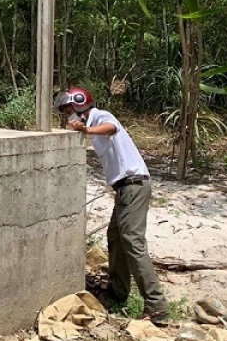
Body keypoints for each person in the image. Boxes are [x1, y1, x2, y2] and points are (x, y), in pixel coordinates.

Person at [56, 87, 170, 325]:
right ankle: (118, 292)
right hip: (124, 188)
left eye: (69, 111)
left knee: (132, 241)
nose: (68, 117)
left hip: (133, 185)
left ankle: (157, 306)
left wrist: (86, 129)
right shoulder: (93, 124)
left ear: (80, 106)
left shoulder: (100, 116)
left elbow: (112, 128)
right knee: (116, 237)